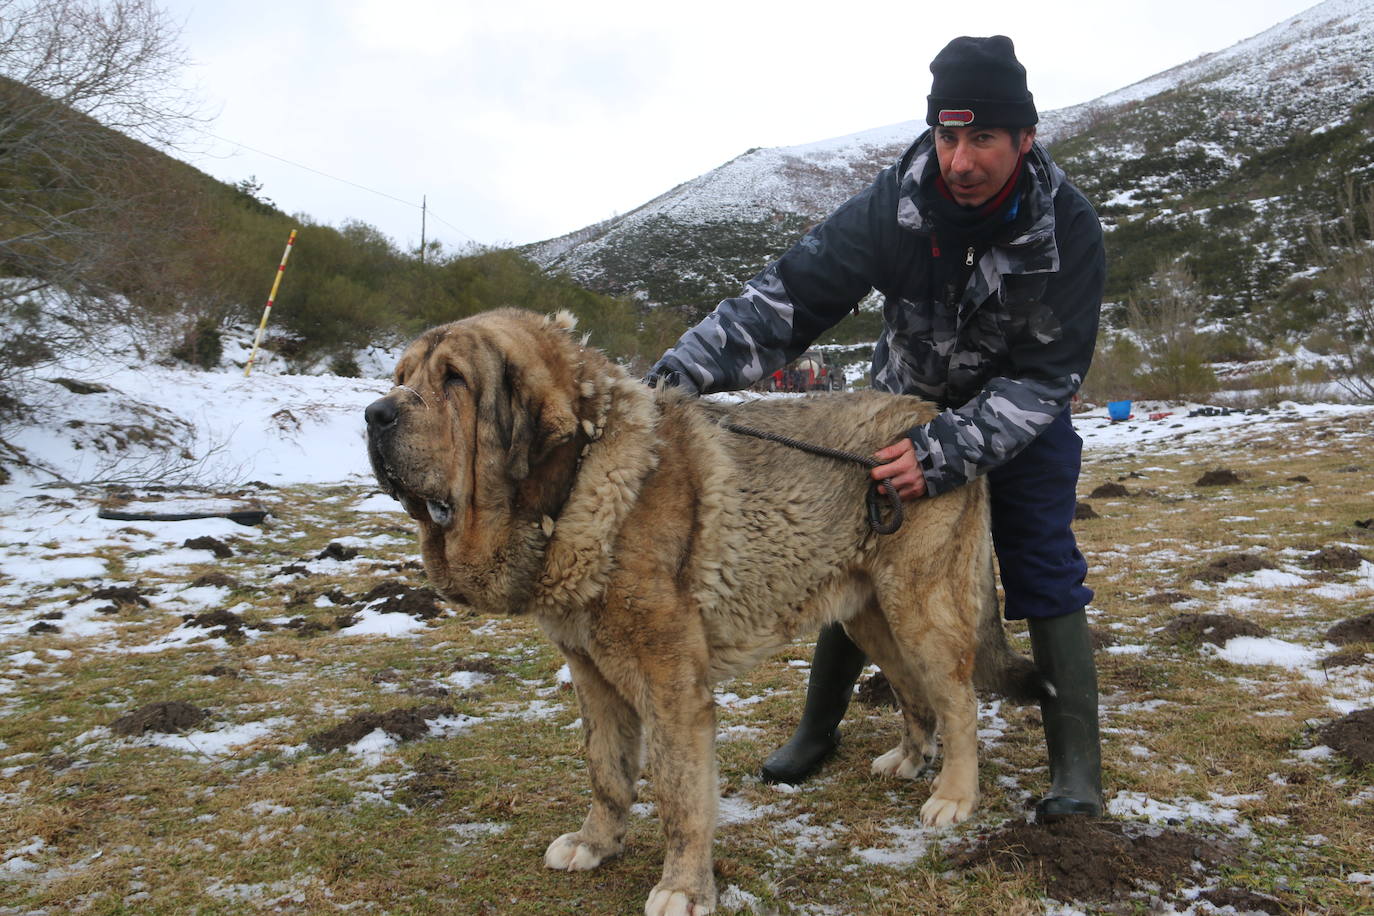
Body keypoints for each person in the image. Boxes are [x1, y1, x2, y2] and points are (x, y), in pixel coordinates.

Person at [644, 35, 1105, 820]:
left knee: (1044, 564)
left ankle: (1076, 771)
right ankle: (817, 730)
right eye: (948, 138)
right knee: (854, 550)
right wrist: (667, 384)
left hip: (1017, 418)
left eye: (984, 138)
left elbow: (1045, 377)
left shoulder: (1068, 227)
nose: (961, 161)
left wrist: (945, 450)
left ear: (1025, 137)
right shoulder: (894, 205)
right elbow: (785, 301)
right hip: (901, 407)